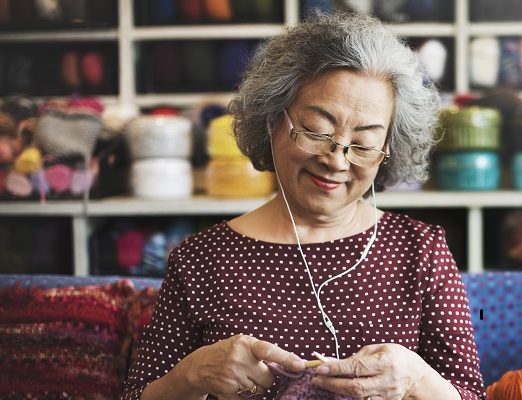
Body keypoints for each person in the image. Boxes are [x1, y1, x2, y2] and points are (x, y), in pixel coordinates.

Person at [121, 12, 486, 400]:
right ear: (272, 120)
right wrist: (191, 376)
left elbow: (472, 394)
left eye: (362, 143)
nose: (337, 160)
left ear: (387, 151)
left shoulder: (422, 250)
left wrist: (417, 379)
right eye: (317, 130)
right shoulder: (200, 260)